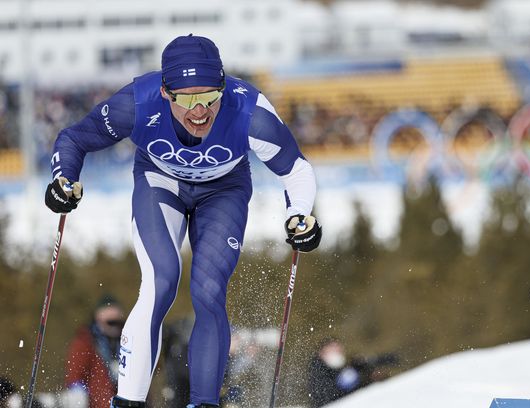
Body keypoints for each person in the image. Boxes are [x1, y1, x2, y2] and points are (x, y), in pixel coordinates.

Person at [44, 34, 322, 408]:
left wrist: (300, 214)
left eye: (210, 96)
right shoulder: (137, 103)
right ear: (165, 93)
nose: (200, 111)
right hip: (160, 183)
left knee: (208, 292)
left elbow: (296, 170)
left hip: (223, 191)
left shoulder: (250, 112)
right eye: (188, 99)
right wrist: (64, 180)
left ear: (224, 88)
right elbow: (74, 139)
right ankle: (128, 401)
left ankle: (205, 403)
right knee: (161, 280)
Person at [63, 295, 126, 408]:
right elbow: (74, 375)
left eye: (118, 322)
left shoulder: (128, 339)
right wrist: (78, 392)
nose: (115, 327)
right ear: (98, 318)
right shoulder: (85, 340)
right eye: (110, 322)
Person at [307, 338, 360, 407]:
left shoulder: (341, 368)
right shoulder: (317, 369)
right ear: (322, 352)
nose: (338, 353)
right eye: (333, 349)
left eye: (339, 350)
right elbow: (324, 397)